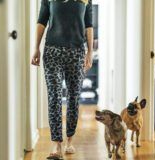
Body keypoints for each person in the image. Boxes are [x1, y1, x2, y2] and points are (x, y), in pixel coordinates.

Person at [31, 0, 93, 159]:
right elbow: (41, 21)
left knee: (73, 98)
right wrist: (36, 48)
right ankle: (56, 144)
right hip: (52, 52)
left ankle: (69, 141)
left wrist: (90, 52)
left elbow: (88, 25)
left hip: (77, 52)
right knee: (54, 97)